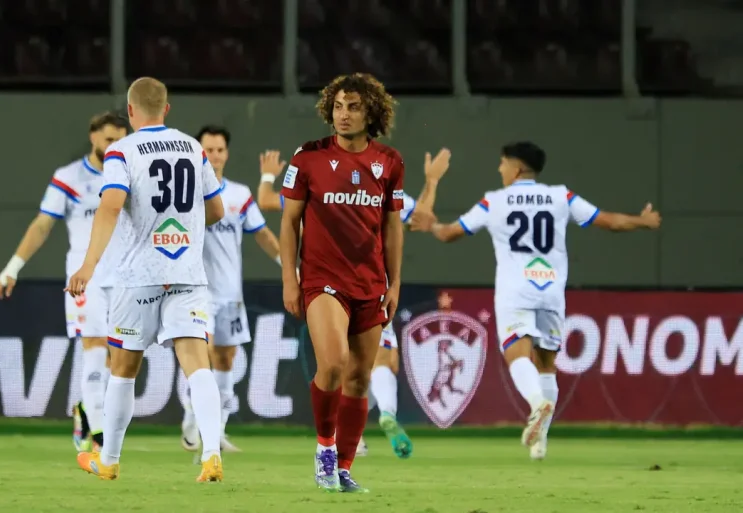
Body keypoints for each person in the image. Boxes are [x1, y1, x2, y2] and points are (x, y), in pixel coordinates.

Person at [410, 141, 662, 460]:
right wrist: (642, 221)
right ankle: (540, 443)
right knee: (546, 365)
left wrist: (432, 225)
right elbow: (609, 222)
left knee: (516, 355)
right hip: (551, 291)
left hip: (516, 291)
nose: (500, 169)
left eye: (503, 164)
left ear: (516, 169)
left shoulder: (494, 201)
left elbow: (450, 234)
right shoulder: (561, 196)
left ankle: (535, 404)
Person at [66, 77, 226, 482]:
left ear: (130, 111)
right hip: (186, 273)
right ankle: (211, 455)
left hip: (137, 276)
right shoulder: (192, 147)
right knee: (198, 366)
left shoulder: (122, 150)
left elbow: (111, 206)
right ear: (166, 109)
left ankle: (109, 460)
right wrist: (184, 231)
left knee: (123, 370)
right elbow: (217, 210)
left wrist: (88, 265)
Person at [259, 148, 452, 459]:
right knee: (377, 362)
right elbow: (422, 218)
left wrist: (268, 175)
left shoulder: (315, 189)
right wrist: (432, 182)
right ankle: (378, 417)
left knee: (341, 365)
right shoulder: (373, 184)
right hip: (366, 285)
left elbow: (267, 200)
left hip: (329, 286)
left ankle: (344, 437)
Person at [280, 73, 404, 493]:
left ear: (371, 113)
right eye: (338, 106)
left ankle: (345, 468)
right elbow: (289, 222)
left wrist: (394, 283)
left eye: (353, 107)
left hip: (369, 283)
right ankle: (325, 450)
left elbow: (392, 227)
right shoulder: (308, 157)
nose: (343, 114)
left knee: (359, 379)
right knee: (332, 364)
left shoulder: (390, 162)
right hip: (322, 279)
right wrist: (290, 279)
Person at [0, 111, 128, 453]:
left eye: (121, 140)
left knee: (121, 358)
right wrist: (13, 267)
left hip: (126, 275)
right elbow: (42, 225)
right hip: (85, 276)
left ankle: (85, 408)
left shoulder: (132, 174)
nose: (115, 146)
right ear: (93, 137)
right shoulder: (69, 178)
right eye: (109, 139)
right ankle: (99, 436)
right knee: (94, 345)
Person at [179, 125, 282, 455]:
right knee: (202, 354)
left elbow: (262, 233)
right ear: (198, 153)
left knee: (225, 359)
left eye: (219, 150)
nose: (214, 155)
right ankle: (193, 414)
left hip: (230, 293)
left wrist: (287, 265)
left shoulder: (239, 195)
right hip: (196, 291)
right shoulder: (184, 194)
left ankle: (217, 430)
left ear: (226, 154)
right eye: (208, 150)